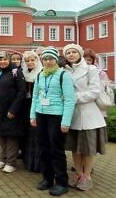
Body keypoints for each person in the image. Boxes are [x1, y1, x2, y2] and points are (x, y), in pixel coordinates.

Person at [30, 47, 75, 196]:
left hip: (57, 116)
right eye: (45, 59)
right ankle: (47, 178)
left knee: (56, 149)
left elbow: (70, 100)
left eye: (50, 59)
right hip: (41, 114)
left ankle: (62, 182)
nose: (48, 62)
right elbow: (35, 96)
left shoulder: (64, 75)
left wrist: (66, 122)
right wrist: (33, 116)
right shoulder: (40, 75)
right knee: (43, 148)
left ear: (56, 60)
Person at [63, 43, 107, 191]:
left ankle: (87, 176)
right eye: (68, 52)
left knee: (88, 149)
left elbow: (95, 91)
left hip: (89, 115)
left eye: (74, 51)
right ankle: (78, 173)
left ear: (80, 54)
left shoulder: (90, 69)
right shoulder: (65, 71)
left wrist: (73, 97)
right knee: (75, 148)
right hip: (72, 115)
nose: (71, 54)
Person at [0, 51, 26, 173]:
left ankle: (11, 162)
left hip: (10, 110)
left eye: (5, 59)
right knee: (2, 135)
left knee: (11, 137)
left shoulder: (16, 72)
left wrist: (13, 109)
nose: (2, 62)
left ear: (9, 60)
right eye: (0, 60)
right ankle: (4, 159)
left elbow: (22, 92)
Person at [21, 51, 43, 172]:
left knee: (36, 135)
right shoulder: (24, 74)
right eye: (27, 61)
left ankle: (38, 164)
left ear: (36, 61)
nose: (30, 63)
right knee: (28, 134)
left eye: (32, 60)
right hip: (26, 107)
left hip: (37, 107)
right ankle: (28, 162)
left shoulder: (41, 73)